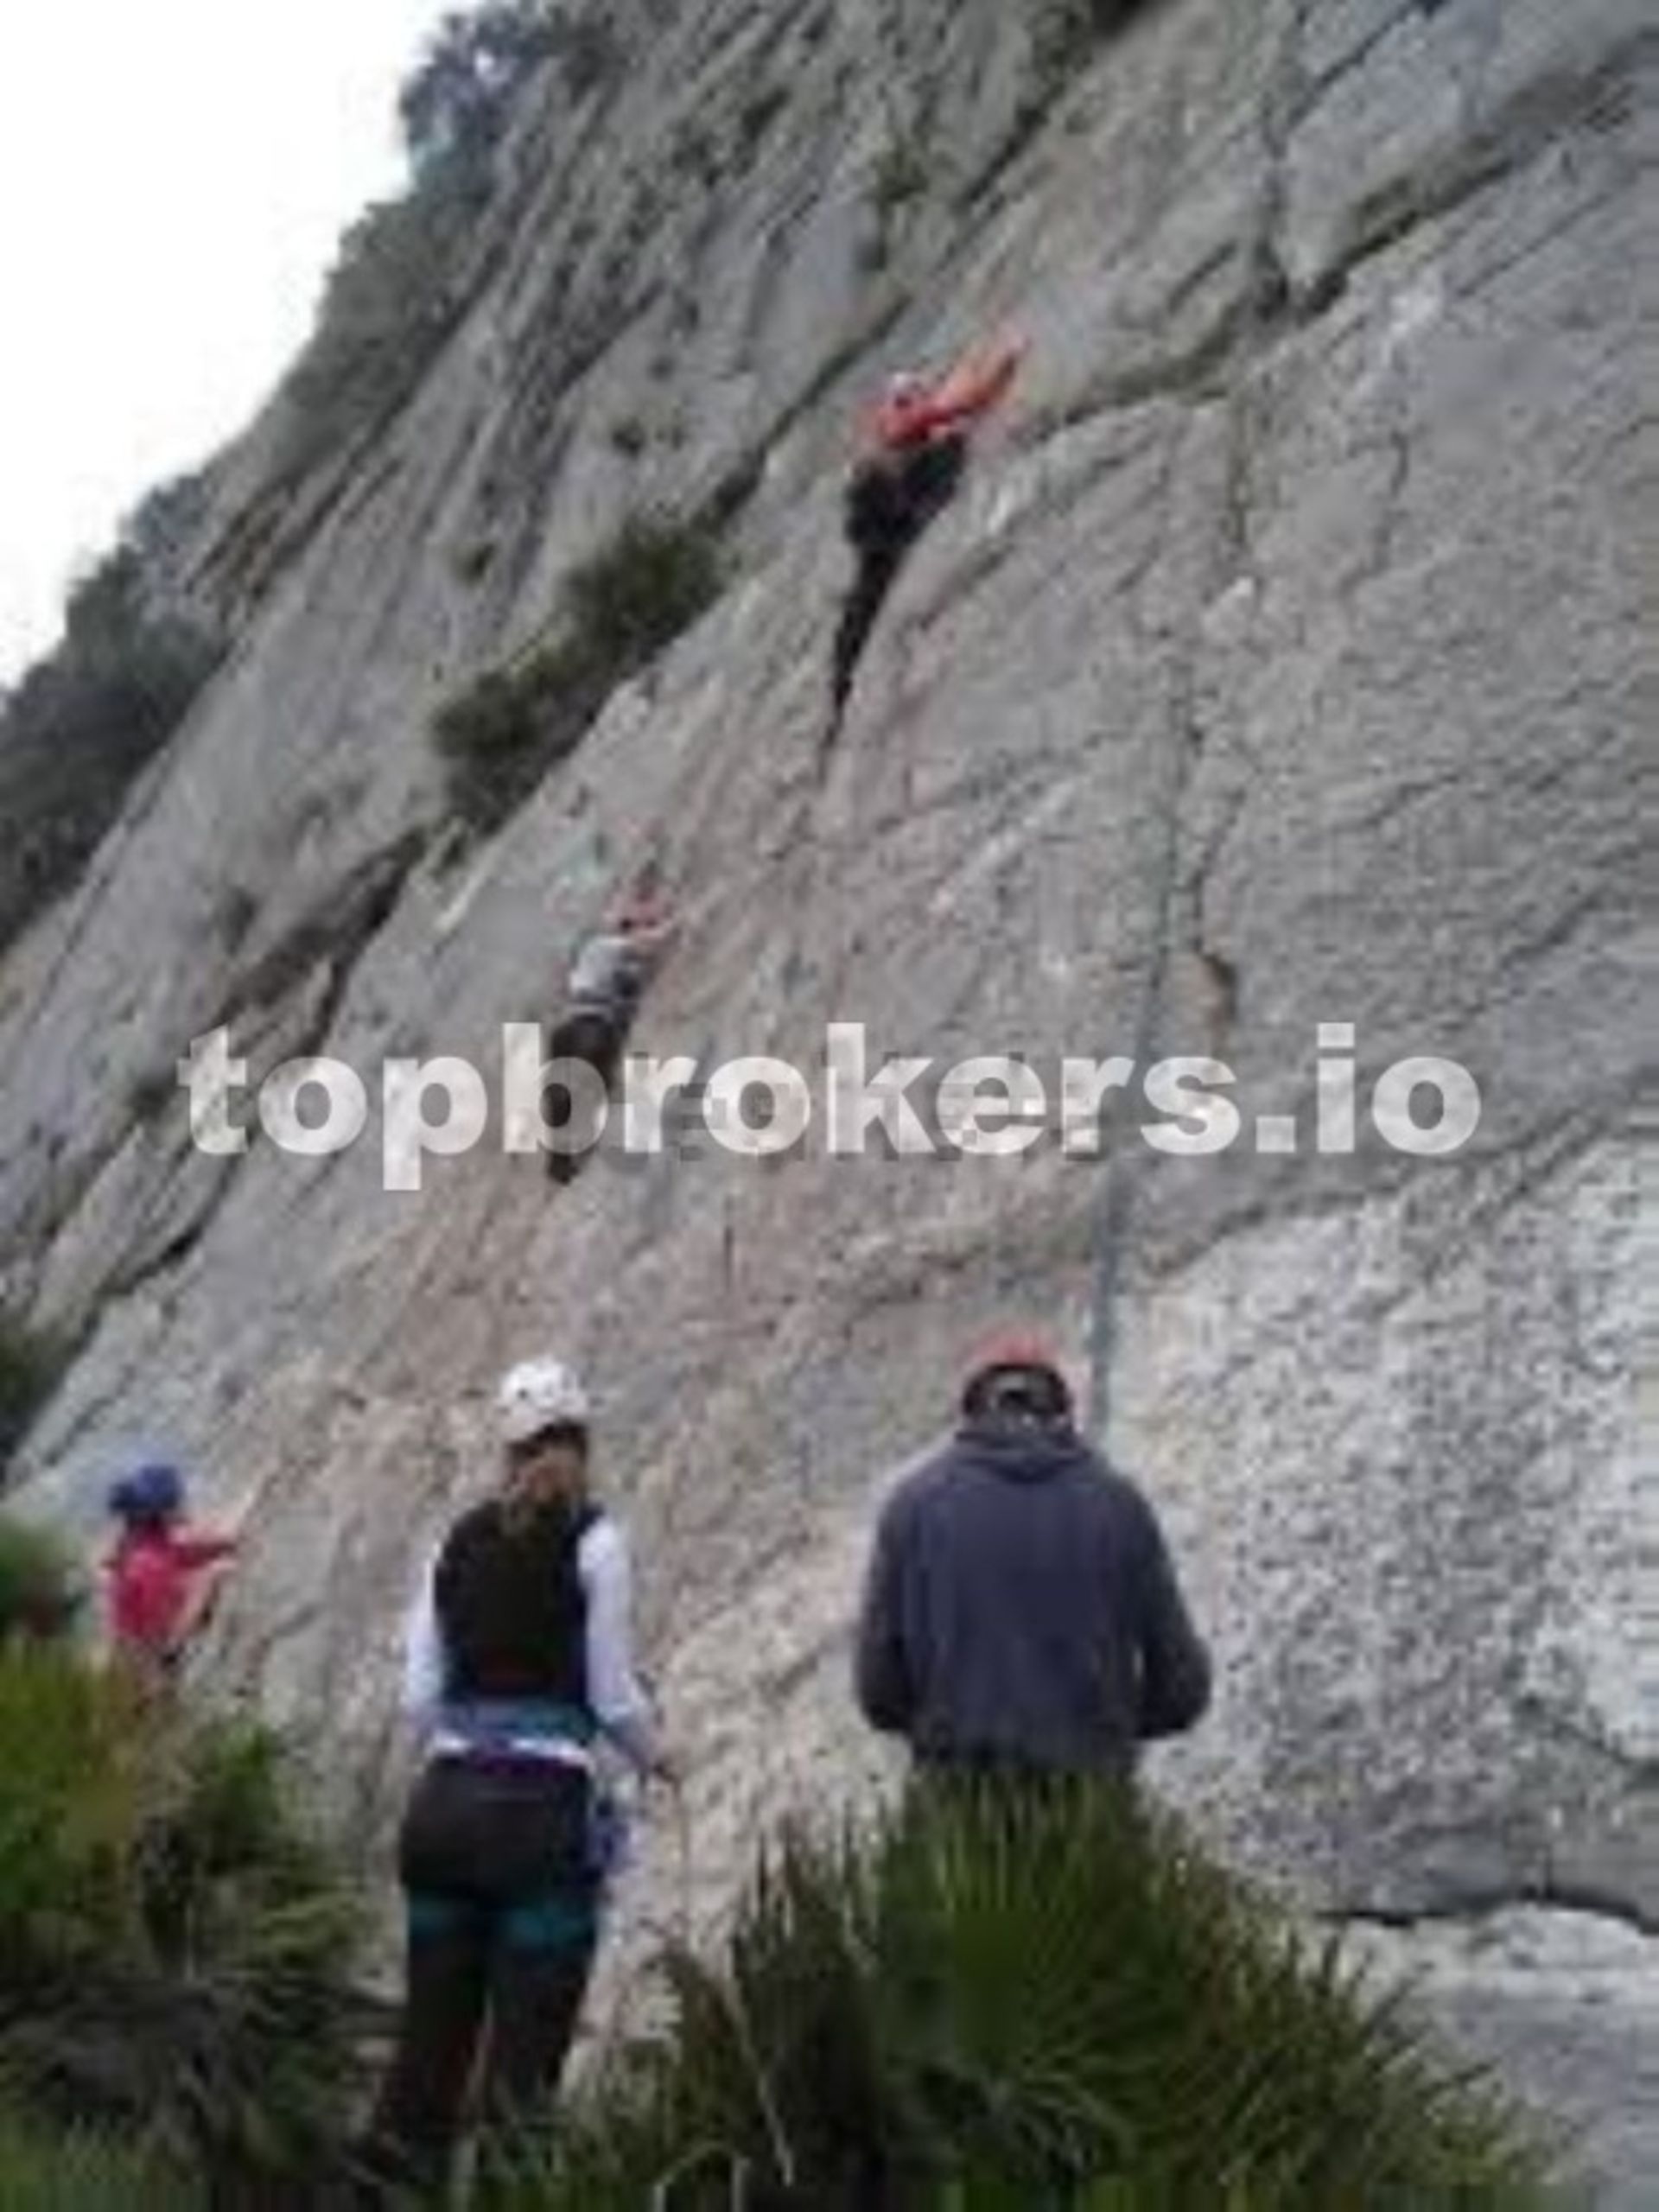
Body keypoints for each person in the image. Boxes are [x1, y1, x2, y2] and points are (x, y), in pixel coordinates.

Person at [363, 1357, 675, 2200]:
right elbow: (612, 1692)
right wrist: (658, 1755)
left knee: (424, 2060)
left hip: (441, 1815)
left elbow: (420, 1697)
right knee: (520, 2080)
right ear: (583, 1439)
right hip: (539, 1823)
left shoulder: (453, 1540)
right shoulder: (598, 1540)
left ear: (506, 1446)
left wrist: (478, 1732)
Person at [854, 1330, 1211, 1779]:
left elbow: (878, 1692)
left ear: (971, 1409)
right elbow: (1183, 1690)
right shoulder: (1119, 1506)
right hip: (1088, 1812)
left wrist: (945, 1729)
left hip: (957, 1823)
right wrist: (1108, 1728)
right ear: (1061, 1408)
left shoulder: (912, 1507)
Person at [824, 331, 1025, 756]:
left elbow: (956, 409)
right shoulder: (902, 425)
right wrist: (1005, 362)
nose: (911, 402)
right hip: (884, 525)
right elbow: (964, 405)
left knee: (859, 615)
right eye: (904, 397)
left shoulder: (901, 430)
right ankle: (841, 699)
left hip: (881, 527)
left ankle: (841, 697)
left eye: (913, 395)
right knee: (861, 611)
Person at [543, 886, 677, 1184]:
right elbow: (649, 944)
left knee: (563, 1092)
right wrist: (673, 921)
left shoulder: (598, 955)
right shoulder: (605, 946)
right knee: (589, 1081)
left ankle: (560, 1160)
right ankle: (568, 1153)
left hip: (570, 1025)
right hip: (590, 1025)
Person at [103, 1462, 241, 1690]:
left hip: (133, 1642)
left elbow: (184, 1551)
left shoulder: (137, 1543)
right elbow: (166, 1641)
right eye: (179, 1501)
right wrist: (210, 1579)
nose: (185, 1504)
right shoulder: (150, 1567)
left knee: (212, 1556)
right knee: (212, 1572)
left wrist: (218, 1545)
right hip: (147, 1666)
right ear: (164, 1514)